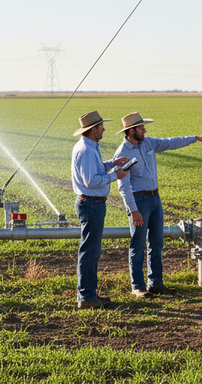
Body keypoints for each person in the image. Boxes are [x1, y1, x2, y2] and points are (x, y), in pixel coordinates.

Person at [113, 112, 202, 299]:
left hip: (155, 199)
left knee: (157, 243)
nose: (145, 130)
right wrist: (133, 210)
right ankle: (137, 287)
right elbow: (123, 187)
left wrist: (195, 138)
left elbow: (170, 142)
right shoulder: (122, 154)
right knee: (138, 245)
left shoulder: (148, 143)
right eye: (141, 128)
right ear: (131, 131)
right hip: (139, 201)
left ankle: (156, 283)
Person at [71, 111, 130, 309]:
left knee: (91, 251)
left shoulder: (88, 146)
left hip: (91, 203)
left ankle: (89, 294)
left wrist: (111, 164)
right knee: (90, 251)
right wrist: (116, 175)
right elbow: (91, 180)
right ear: (93, 129)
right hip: (91, 203)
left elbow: (94, 170)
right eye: (101, 126)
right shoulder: (87, 150)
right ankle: (86, 297)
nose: (104, 129)